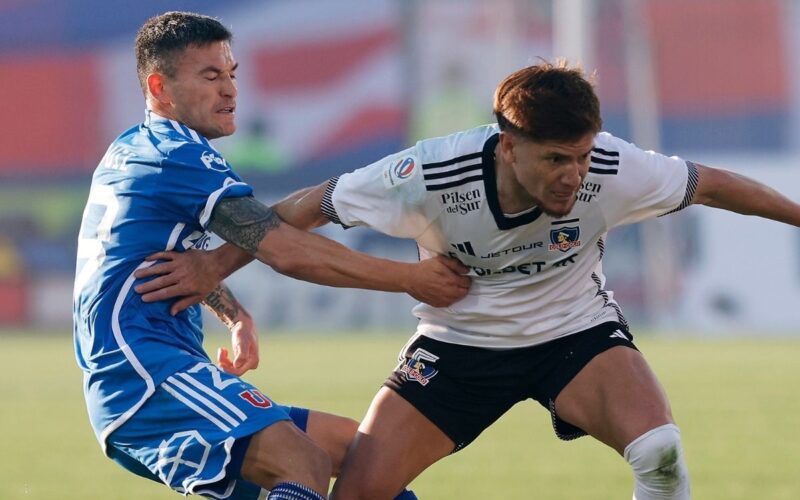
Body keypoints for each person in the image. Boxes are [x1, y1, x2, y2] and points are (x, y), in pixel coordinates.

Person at [139, 60, 800, 500]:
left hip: (576, 335)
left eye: (581, 155)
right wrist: (212, 266)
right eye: (554, 160)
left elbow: (711, 185)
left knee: (659, 451)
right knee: (363, 494)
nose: (573, 175)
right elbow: (306, 207)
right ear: (507, 145)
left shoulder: (614, 167)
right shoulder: (430, 173)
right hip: (457, 350)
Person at [72, 11, 469, 500]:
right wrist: (410, 278)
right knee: (303, 460)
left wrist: (232, 312)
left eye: (232, 74)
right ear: (160, 86)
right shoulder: (178, 154)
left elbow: (161, 262)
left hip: (148, 376)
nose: (231, 90)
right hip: (146, 378)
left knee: (364, 456)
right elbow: (285, 249)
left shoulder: (135, 147)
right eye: (211, 76)